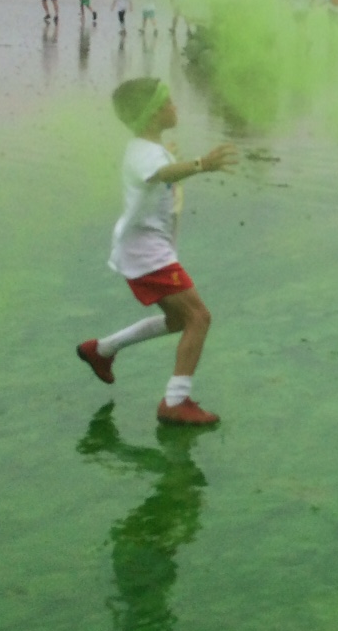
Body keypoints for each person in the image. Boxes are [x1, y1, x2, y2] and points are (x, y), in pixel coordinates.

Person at [75, 78, 238, 426]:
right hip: (149, 255)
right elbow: (159, 172)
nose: (175, 107)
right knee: (199, 318)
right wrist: (200, 165)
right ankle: (175, 402)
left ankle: (101, 350)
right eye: (168, 102)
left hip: (148, 250)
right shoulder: (144, 154)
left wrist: (176, 162)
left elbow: (161, 171)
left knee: (180, 319)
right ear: (152, 114)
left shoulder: (147, 147)